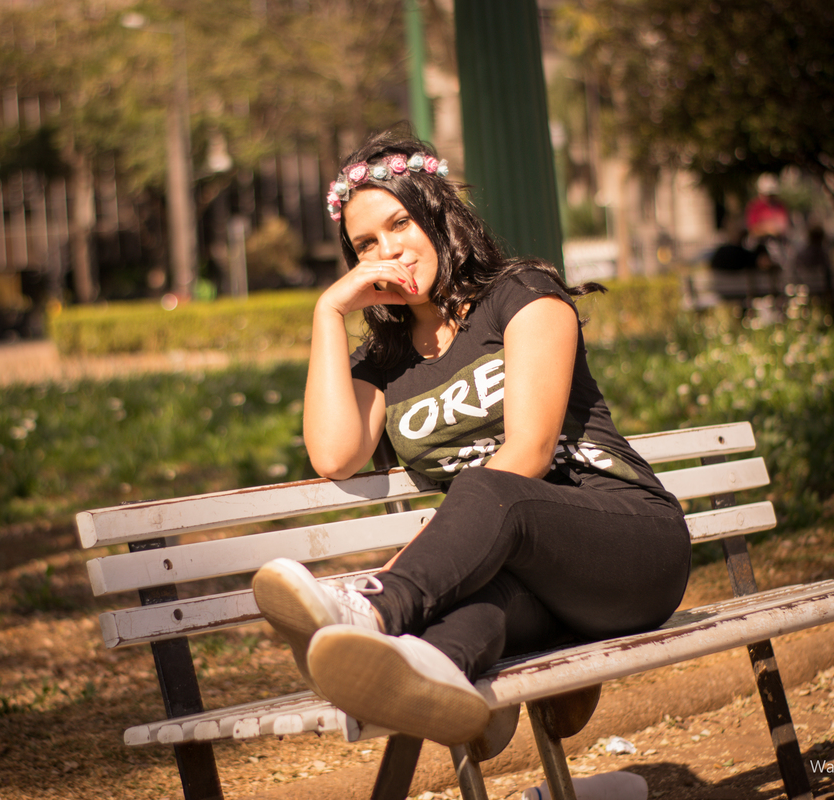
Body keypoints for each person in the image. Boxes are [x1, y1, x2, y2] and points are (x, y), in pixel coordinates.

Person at [251, 128, 691, 747]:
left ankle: (370, 608)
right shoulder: (384, 361)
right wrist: (328, 313)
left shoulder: (521, 296)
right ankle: (444, 682)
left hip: (630, 547)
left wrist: (404, 573)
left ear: (437, 214)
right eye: (366, 244)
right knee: (470, 618)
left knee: (486, 488)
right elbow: (335, 456)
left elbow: (530, 452)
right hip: (531, 582)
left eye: (400, 224)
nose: (388, 251)